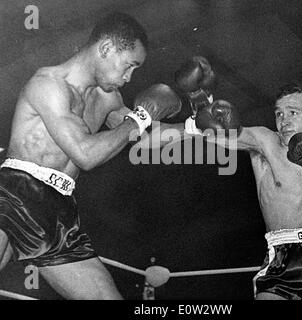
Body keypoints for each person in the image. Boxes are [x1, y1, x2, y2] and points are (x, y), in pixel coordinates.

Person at [0, 12, 184, 300]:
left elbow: (141, 139)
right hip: (14, 194)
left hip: (59, 211)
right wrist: (140, 118)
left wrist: (196, 126)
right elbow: (85, 154)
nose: (129, 77)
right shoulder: (48, 84)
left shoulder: (108, 98)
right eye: (129, 66)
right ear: (107, 48)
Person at [189, 82, 302, 299]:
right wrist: (201, 110)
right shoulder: (266, 142)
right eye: (279, 113)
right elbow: (221, 133)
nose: (284, 120)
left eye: (293, 112)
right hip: (283, 260)